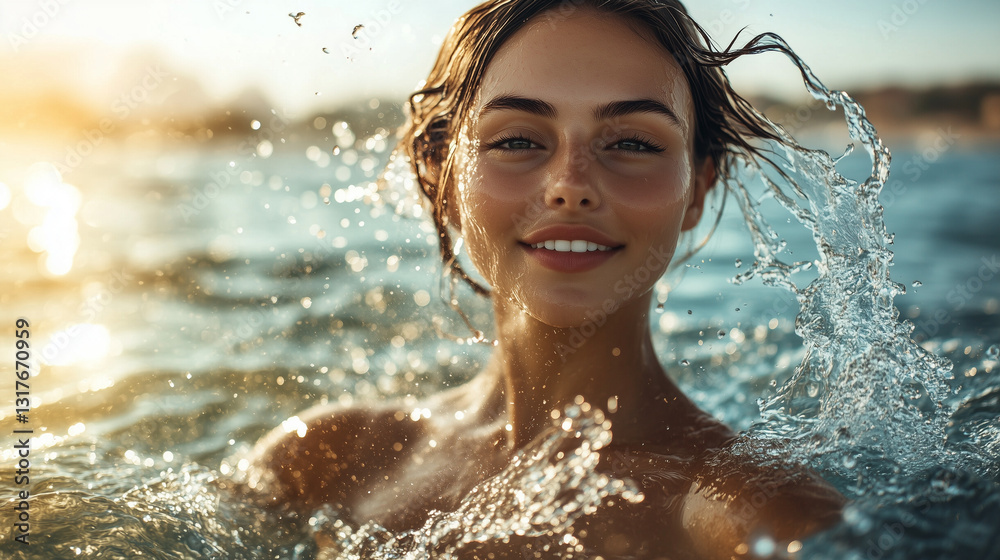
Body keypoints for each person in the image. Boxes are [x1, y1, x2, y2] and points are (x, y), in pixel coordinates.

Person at [247, 0, 845, 557]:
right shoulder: (320, 460)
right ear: (441, 177)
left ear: (698, 187)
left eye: (634, 142)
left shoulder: (749, 511)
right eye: (516, 140)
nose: (570, 183)